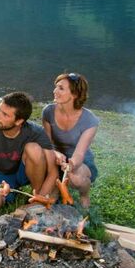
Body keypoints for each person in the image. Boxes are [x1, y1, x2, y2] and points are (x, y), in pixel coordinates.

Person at [0, 92, 58, 209]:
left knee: (33, 149)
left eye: (5, 115)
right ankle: (10, 194)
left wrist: (41, 198)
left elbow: (53, 172)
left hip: (25, 174)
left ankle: (35, 195)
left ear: (19, 121)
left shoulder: (36, 132)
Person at [42, 72, 99, 209]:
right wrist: (55, 154)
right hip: (54, 158)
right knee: (51, 198)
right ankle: (54, 191)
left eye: (61, 88)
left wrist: (71, 165)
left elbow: (79, 154)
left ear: (75, 95)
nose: (55, 91)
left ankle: (84, 195)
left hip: (80, 162)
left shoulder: (90, 120)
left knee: (76, 178)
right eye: (56, 87)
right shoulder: (48, 112)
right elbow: (46, 143)